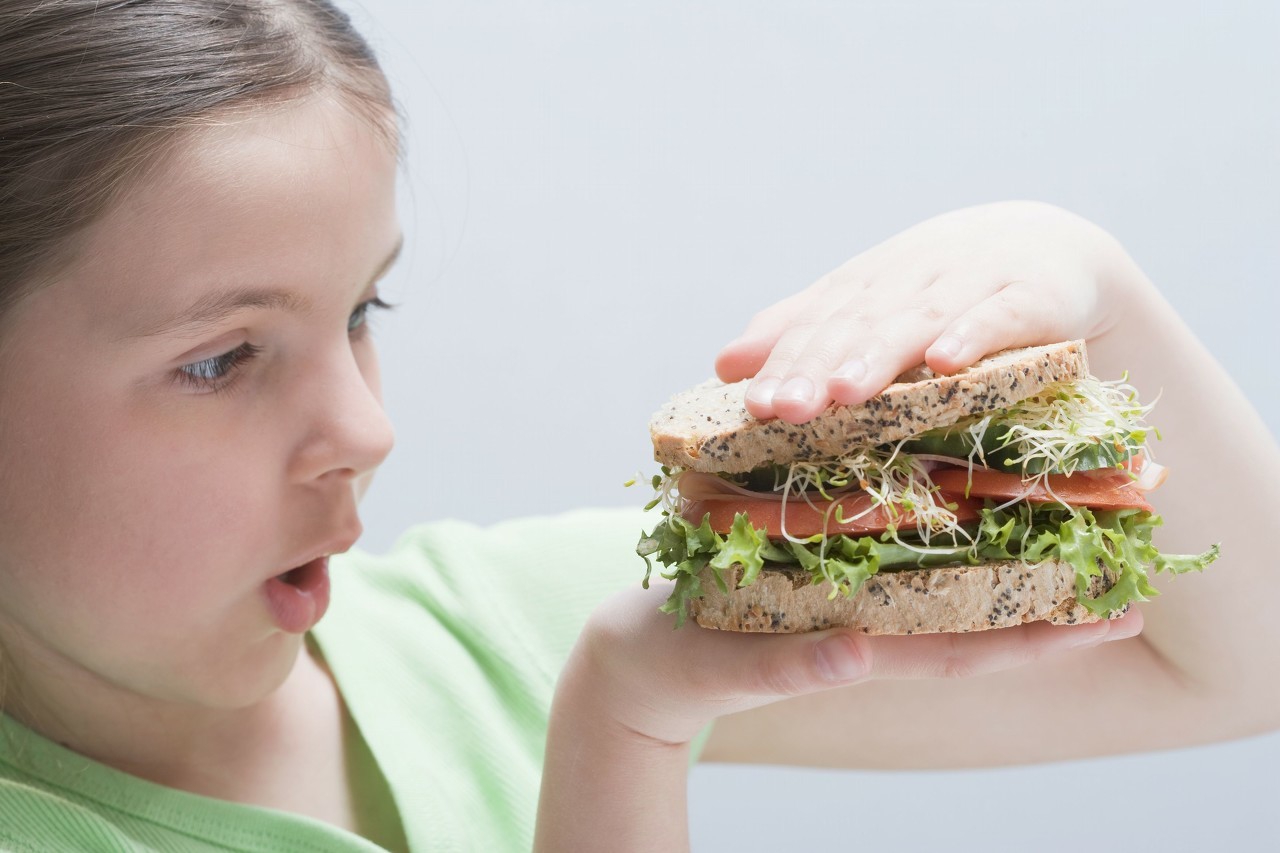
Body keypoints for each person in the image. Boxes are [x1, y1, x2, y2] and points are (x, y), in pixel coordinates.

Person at [0, 3, 1274, 852]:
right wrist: (620, 737)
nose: (365, 425)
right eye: (221, 359)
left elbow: (1232, 664)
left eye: (361, 309)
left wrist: (1090, 282)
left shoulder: (491, 634)